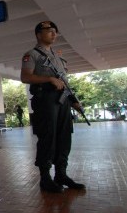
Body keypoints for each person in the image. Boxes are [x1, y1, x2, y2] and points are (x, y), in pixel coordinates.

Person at [21, 21, 86, 193]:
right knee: (48, 137)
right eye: (49, 31)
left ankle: (61, 174)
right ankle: (45, 178)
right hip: (45, 100)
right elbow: (25, 77)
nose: (53, 34)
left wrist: (74, 100)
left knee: (64, 137)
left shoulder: (58, 58)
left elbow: (65, 82)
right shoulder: (31, 55)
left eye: (55, 31)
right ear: (38, 34)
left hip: (63, 101)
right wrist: (48, 79)